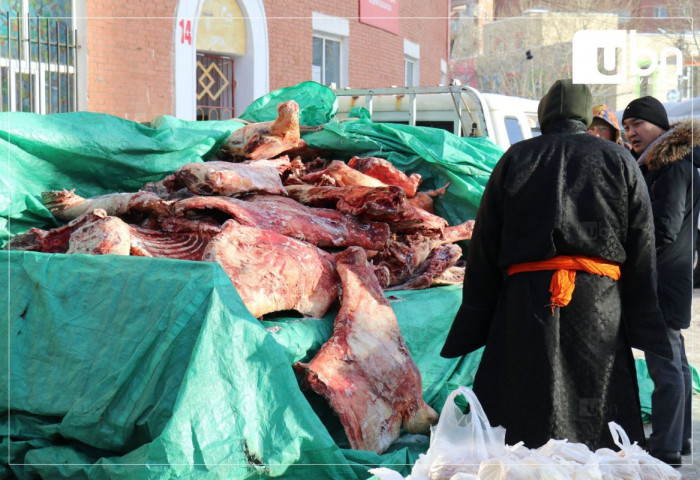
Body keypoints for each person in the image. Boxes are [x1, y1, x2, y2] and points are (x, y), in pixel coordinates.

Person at [440, 79, 672, 451]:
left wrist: (479, 311)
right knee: (596, 409)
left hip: (524, 303)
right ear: (586, 116)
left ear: (544, 114)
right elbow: (641, 243)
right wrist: (642, 314)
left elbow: (484, 243)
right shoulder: (618, 159)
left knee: (522, 407)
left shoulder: (516, 158)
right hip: (598, 306)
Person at [621, 95, 700, 466]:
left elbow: (664, 228)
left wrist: (629, 249)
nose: (631, 133)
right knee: (676, 362)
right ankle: (679, 440)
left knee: (664, 364)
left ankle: (666, 447)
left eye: (637, 124)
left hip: (662, 279)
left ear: (659, 123)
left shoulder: (670, 166)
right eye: (626, 127)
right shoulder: (666, 163)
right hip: (672, 277)